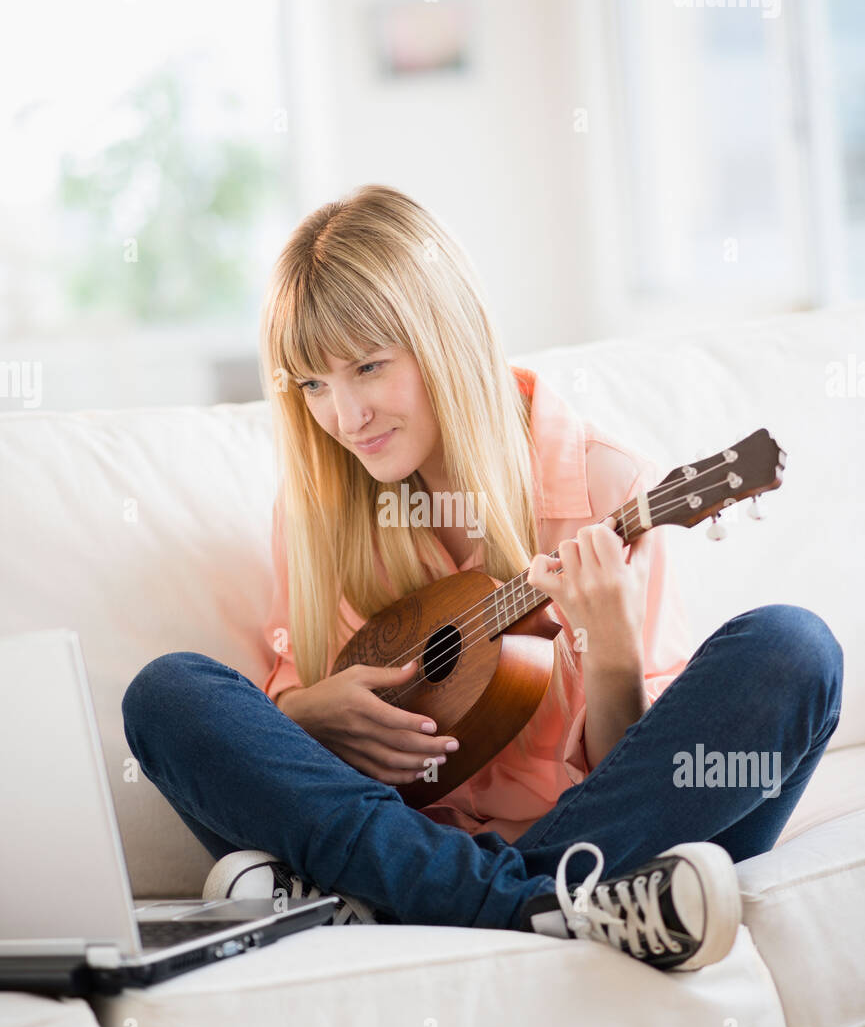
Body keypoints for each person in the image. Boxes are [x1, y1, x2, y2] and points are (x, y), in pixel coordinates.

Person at [121, 184, 843, 972]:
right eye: (314, 385)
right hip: (438, 845)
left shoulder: (606, 486)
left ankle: (449, 903)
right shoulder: (318, 514)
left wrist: (606, 647)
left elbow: (641, 776)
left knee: (792, 651)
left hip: (592, 838)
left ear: (444, 339)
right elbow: (280, 742)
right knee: (168, 697)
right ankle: (540, 909)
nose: (345, 415)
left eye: (367, 367)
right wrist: (305, 711)